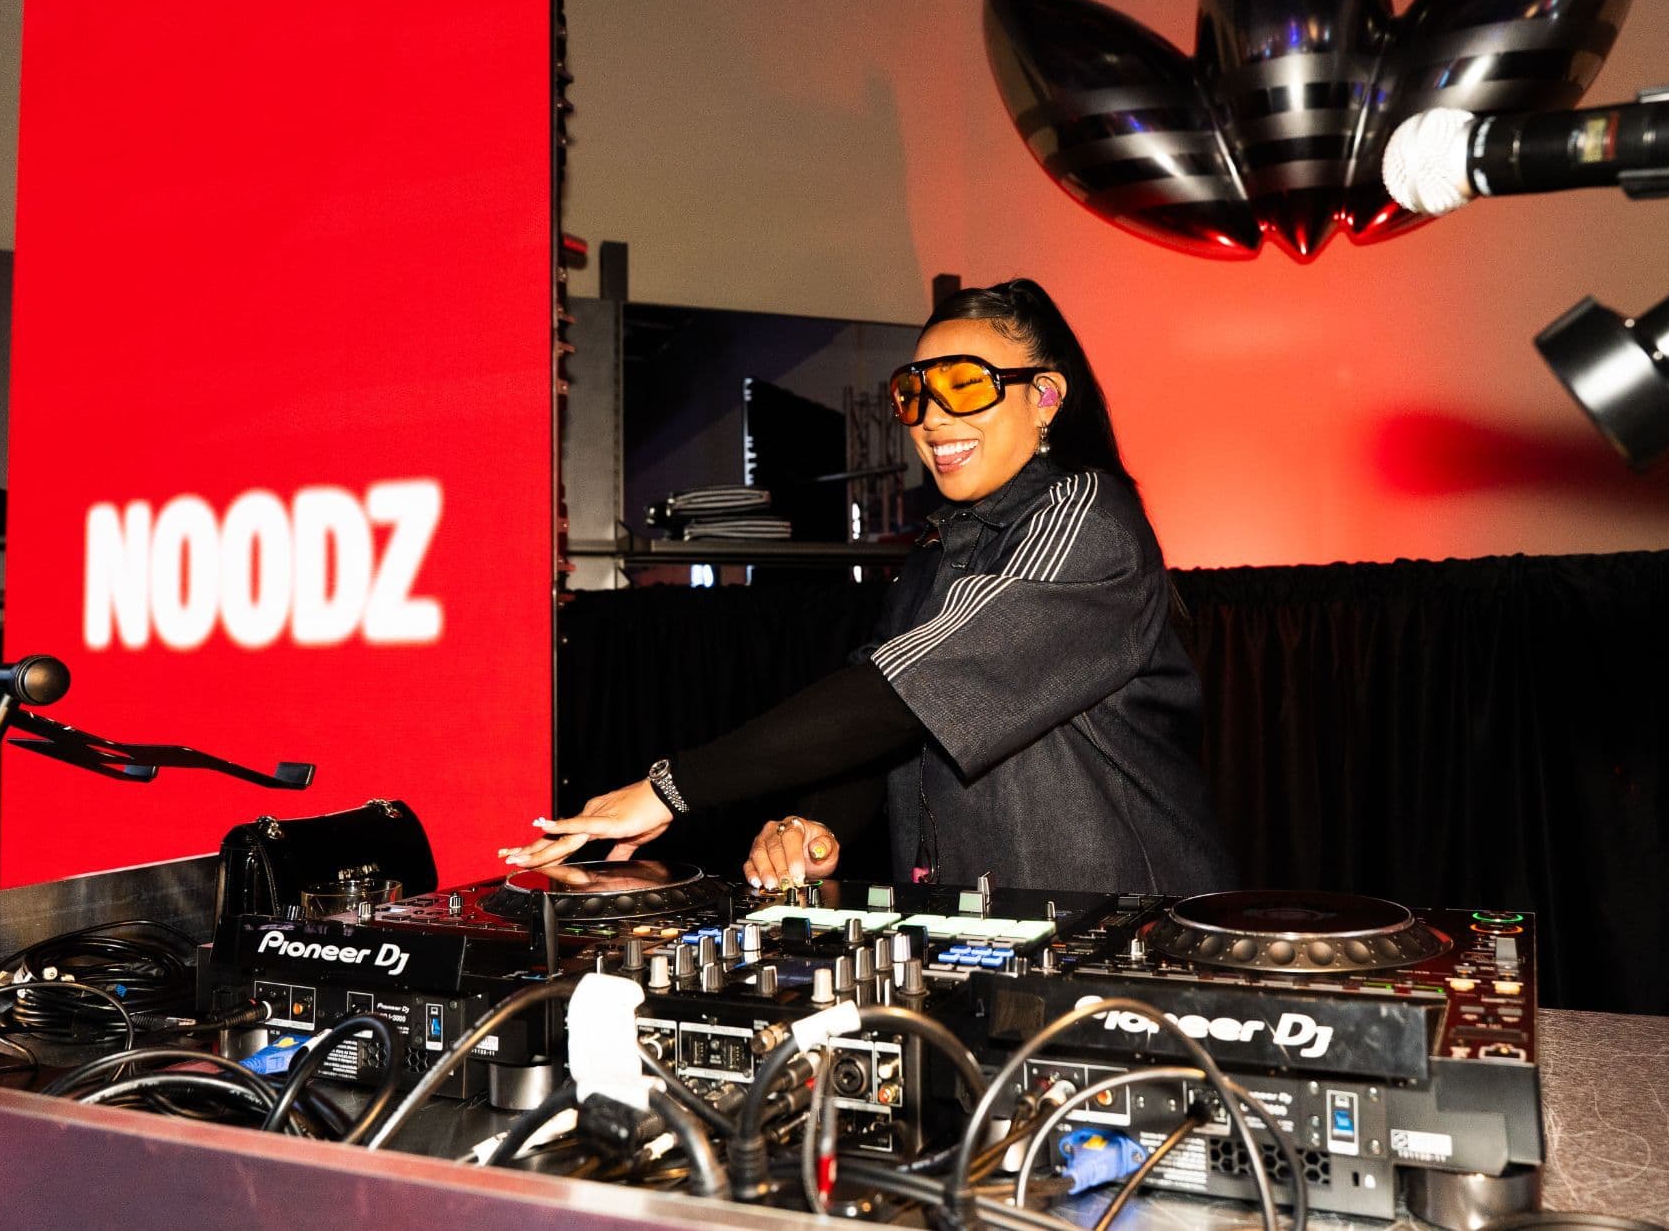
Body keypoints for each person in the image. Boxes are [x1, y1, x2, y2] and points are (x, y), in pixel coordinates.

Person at [499, 279, 1235, 895]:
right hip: (997, 951)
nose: (932, 415)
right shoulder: (940, 551)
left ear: (1045, 397)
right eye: (914, 390)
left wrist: (671, 787)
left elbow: (900, 696)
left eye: (965, 384)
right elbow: (883, 729)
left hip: (1130, 945)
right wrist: (818, 824)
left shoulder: (1085, 520)